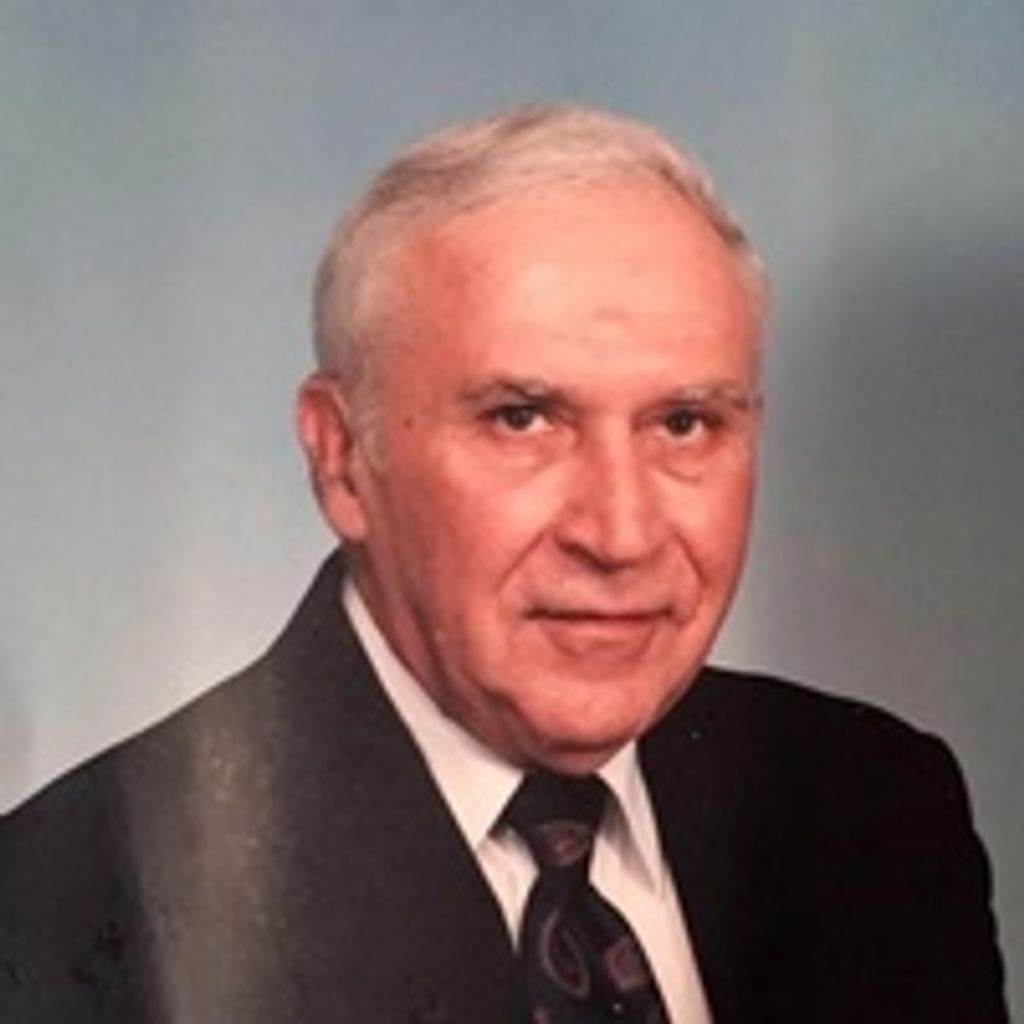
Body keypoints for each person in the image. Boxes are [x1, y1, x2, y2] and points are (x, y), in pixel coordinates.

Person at [0, 104, 1007, 1022]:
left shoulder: (876, 808)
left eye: (684, 423)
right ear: (341, 458)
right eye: (522, 419)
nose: (619, 533)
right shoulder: (70, 915)